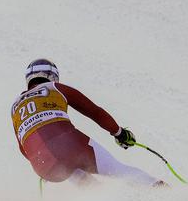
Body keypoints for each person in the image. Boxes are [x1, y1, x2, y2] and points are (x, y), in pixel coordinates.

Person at [10, 58, 164, 186]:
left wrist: (42, 162)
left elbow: (23, 148)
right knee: (118, 170)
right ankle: (161, 191)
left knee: (81, 179)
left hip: (42, 164)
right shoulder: (55, 87)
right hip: (70, 145)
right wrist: (119, 133)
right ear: (53, 76)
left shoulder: (15, 106)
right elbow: (94, 111)